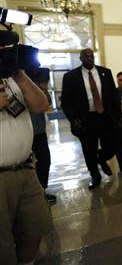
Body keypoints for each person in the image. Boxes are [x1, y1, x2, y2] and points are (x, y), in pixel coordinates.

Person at [0, 31, 53, 264]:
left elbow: (41, 105)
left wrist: (19, 73)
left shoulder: (14, 78)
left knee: (35, 227)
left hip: (26, 168)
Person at [61, 48, 120, 189]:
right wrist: (73, 118)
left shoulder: (106, 72)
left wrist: (116, 115)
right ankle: (95, 176)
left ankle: (102, 157)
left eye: (91, 56)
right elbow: (66, 101)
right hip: (85, 118)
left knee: (113, 144)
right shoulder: (70, 76)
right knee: (89, 150)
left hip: (104, 116)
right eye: (86, 57)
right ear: (80, 59)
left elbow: (113, 95)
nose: (89, 59)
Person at [30, 72, 57, 204]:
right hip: (25, 132)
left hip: (39, 131)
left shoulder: (36, 85)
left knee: (45, 160)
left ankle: (42, 190)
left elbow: (48, 104)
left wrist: (43, 88)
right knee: (28, 165)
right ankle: (31, 195)